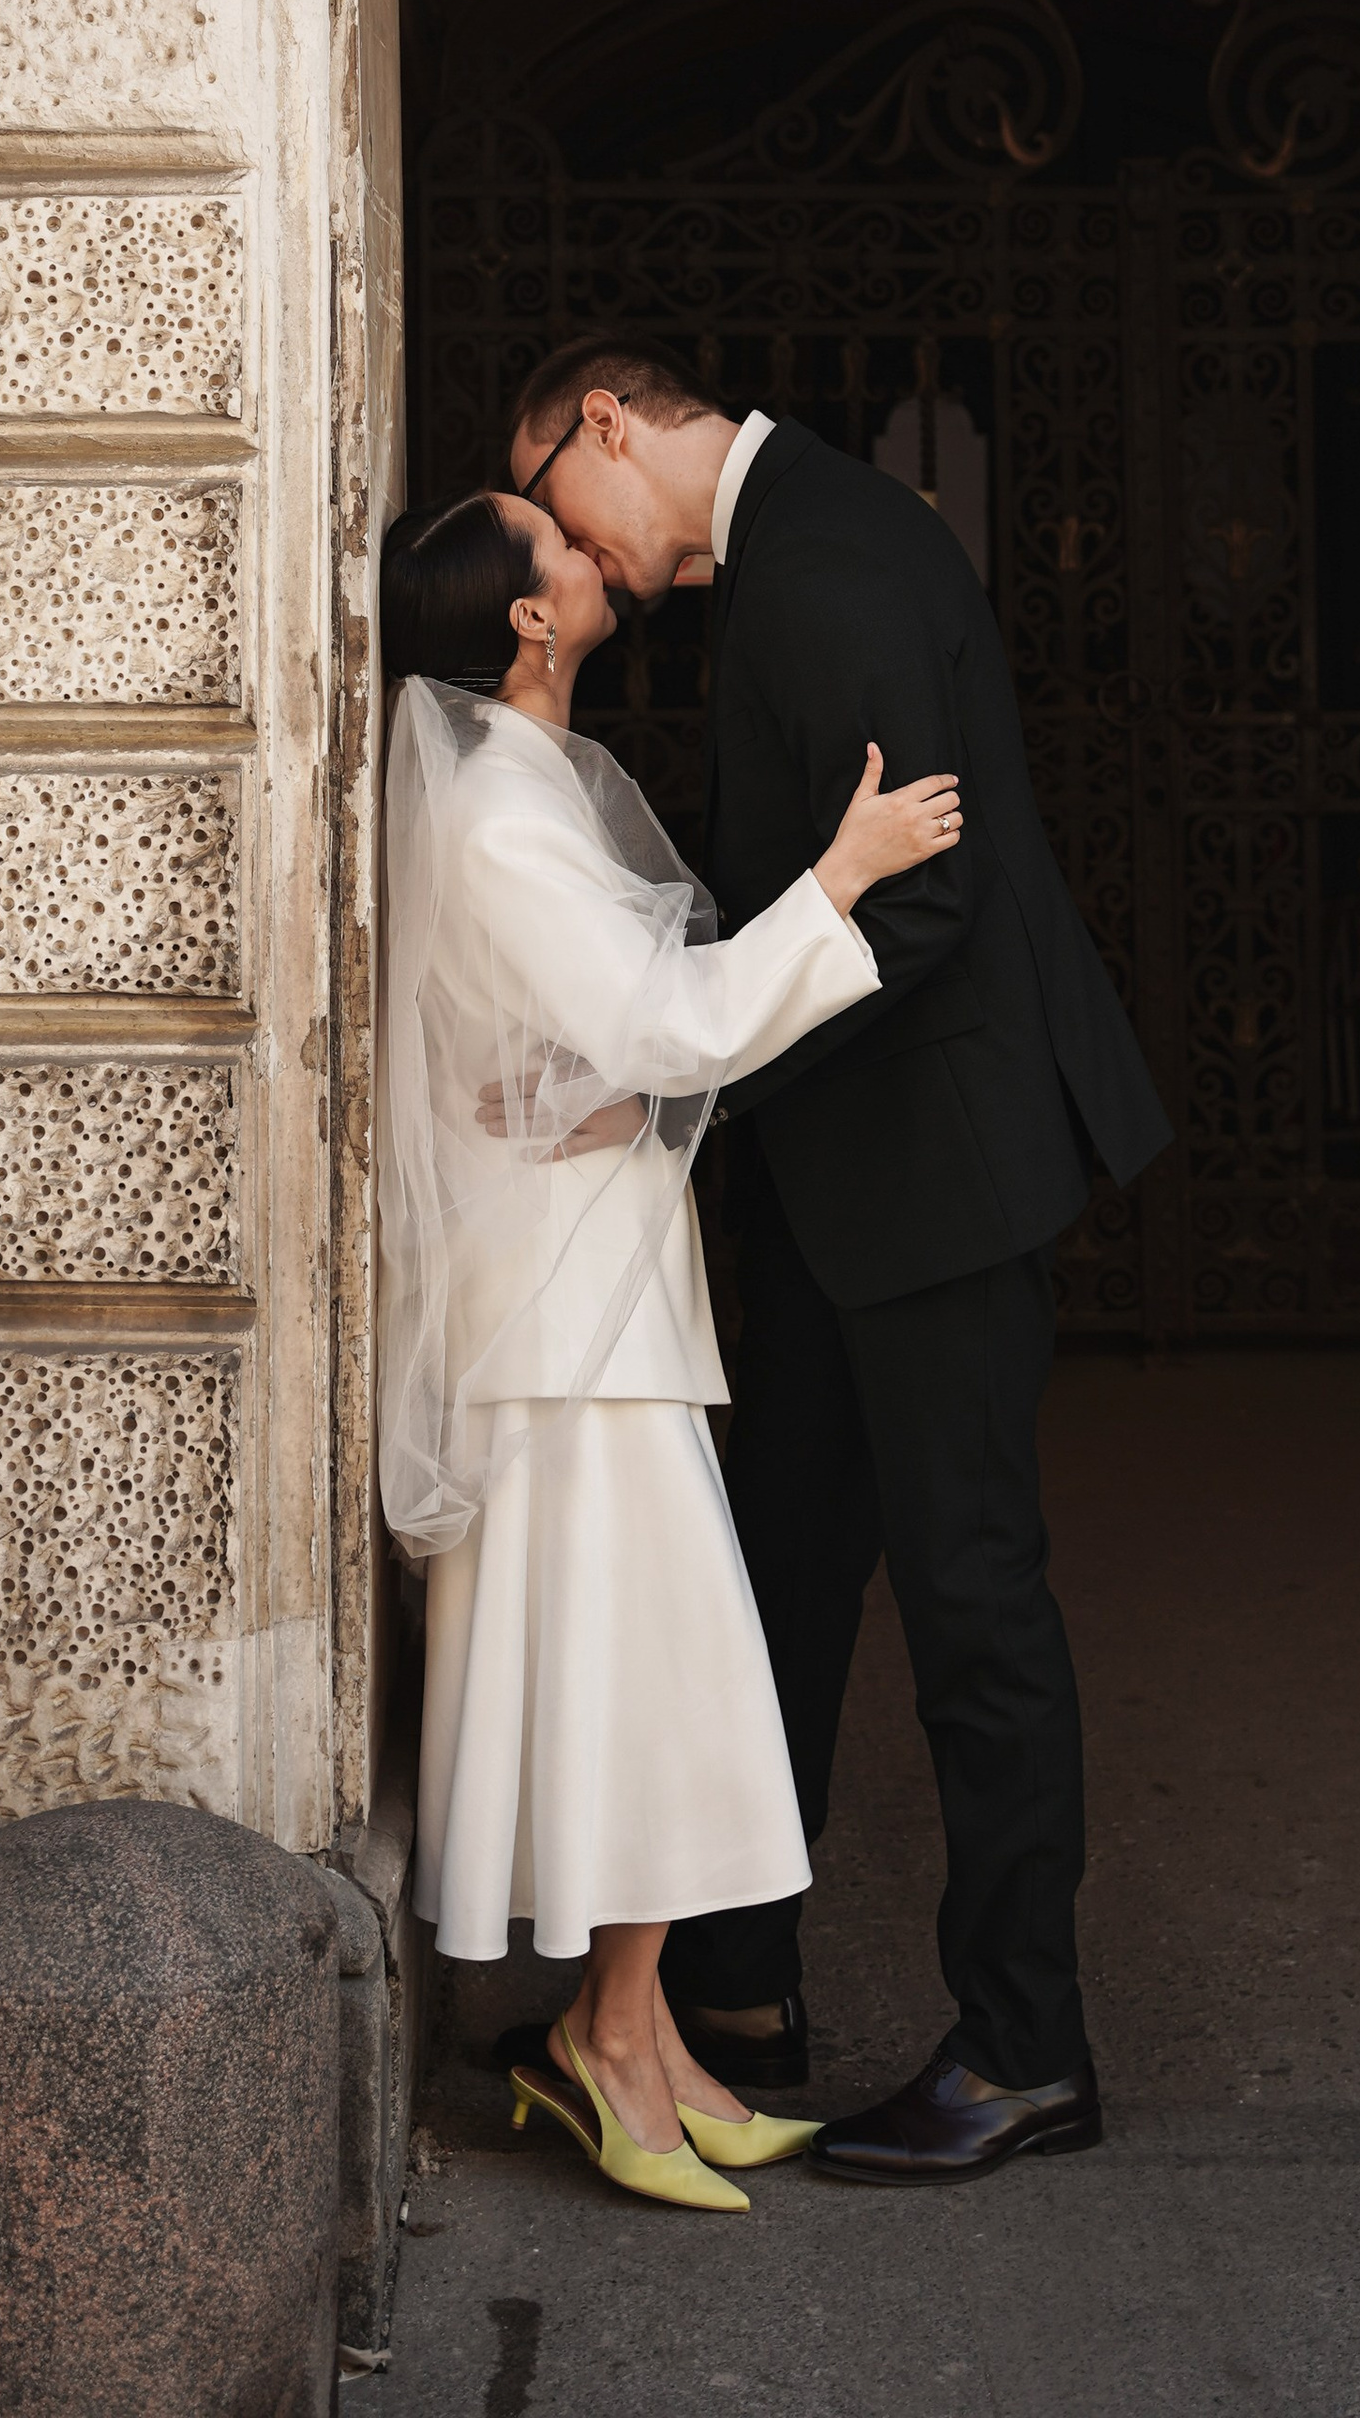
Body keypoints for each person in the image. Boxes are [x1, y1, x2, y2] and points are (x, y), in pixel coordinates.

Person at [504, 339, 1173, 2186]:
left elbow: (928, 903)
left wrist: (684, 1071)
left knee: (975, 1615)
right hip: (839, 1189)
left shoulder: (836, 563)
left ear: (610, 429)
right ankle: (723, 1987)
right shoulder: (797, 548)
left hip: (936, 1187)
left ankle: (1029, 2048)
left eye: (562, 511)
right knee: (775, 1580)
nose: (586, 570)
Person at [379, 482, 964, 2214]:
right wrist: (842, 881)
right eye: (550, 546)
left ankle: (631, 2039)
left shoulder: (533, 784)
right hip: (566, 1329)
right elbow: (662, 1017)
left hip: (603, 1301)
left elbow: (591, 1041)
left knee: (657, 1681)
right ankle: (610, 2046)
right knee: (658, 1677)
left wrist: (607, 1082)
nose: (585, 545)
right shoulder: (496, 807)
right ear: (527, 621)